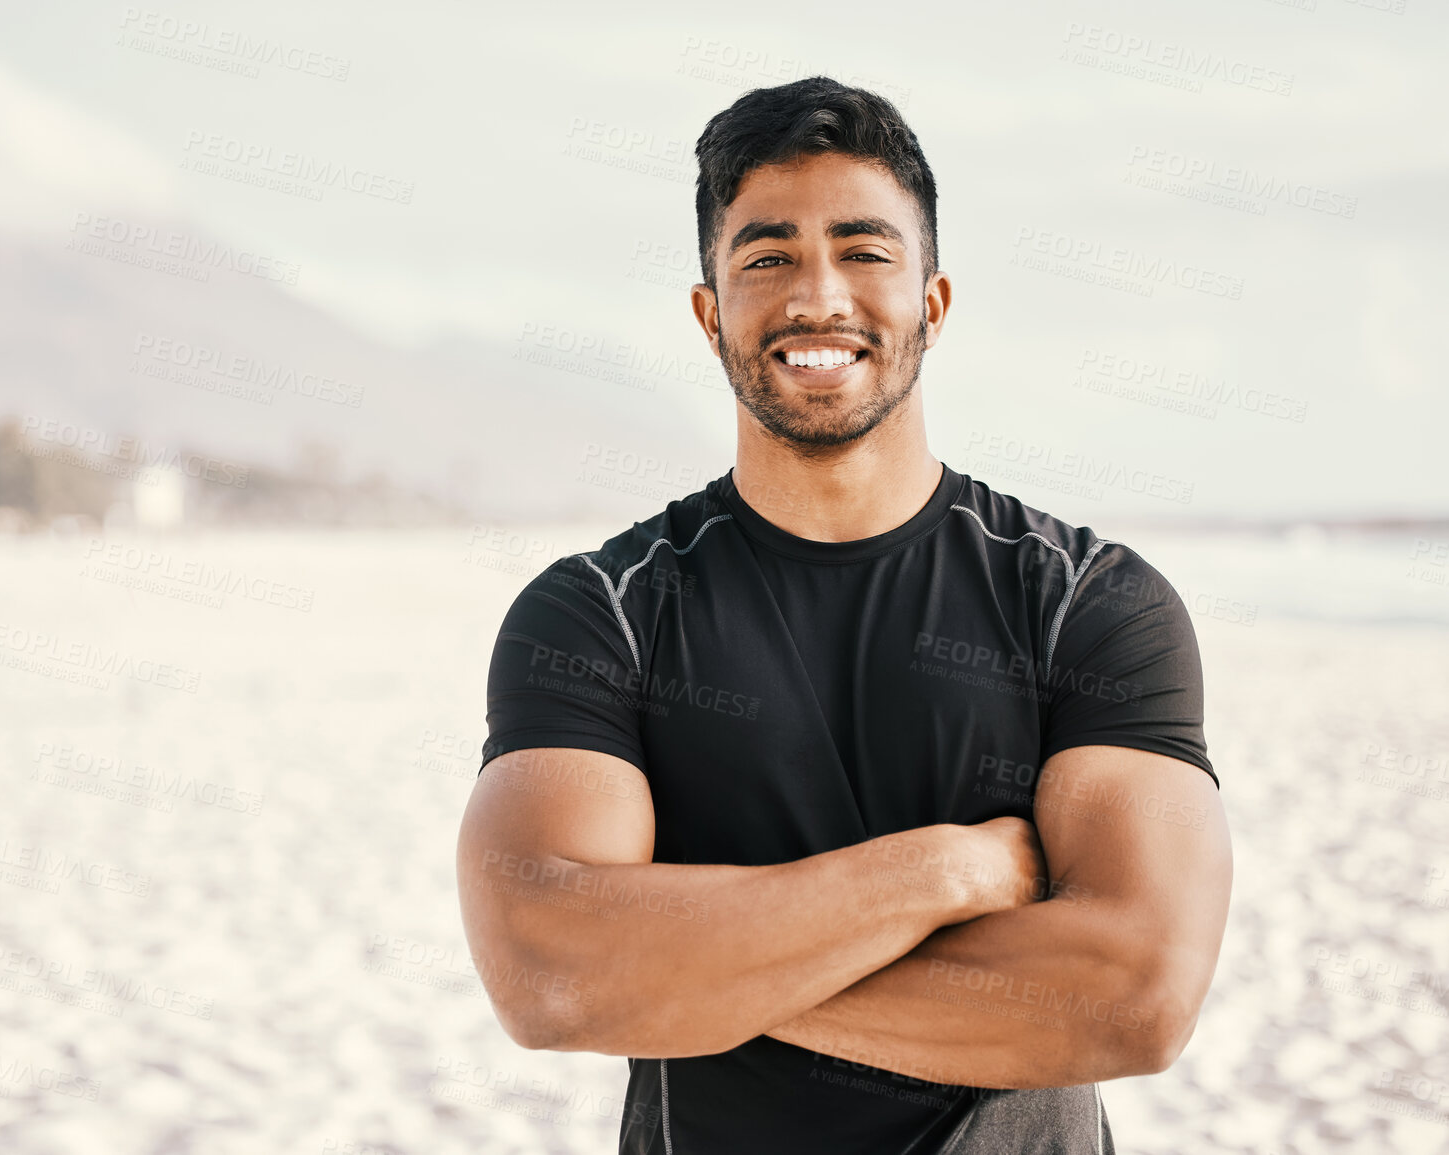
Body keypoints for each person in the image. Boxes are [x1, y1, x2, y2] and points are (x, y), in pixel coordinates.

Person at [457, 76, 1231, 1154]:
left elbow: (1135, 996)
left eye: (865, 251)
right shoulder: (602, 615)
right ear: (708, 311)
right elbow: (547, 978)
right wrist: (945, 873)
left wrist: (684, 976)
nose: (819, 295)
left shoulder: (1087, 604)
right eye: (767, 257)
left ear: (934, 302)